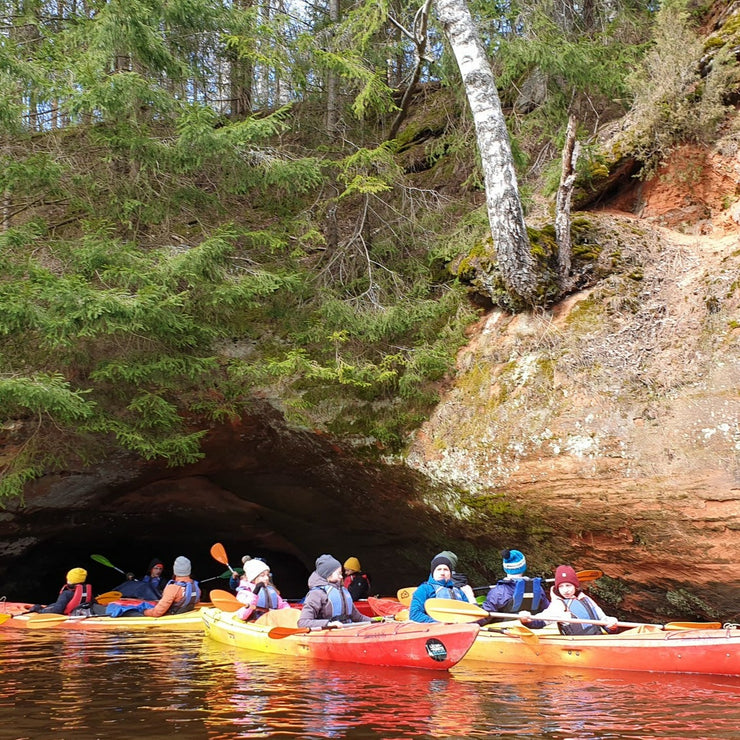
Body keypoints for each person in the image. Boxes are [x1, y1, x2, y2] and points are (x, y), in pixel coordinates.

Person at [519, 565, 619, 635]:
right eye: (561, 586)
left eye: (568, 585)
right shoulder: (558, 605)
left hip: (596, 640)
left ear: (575, 586)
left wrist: (611, 625)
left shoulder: (585, 599)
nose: (565, 590)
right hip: (576, 647)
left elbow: (603, 620)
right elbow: (539, 622)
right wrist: (527, 620)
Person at [297, 554, 372, 630]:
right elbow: (303, 622)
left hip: (346, 631)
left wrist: (375, 621)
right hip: (328, 635)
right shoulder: (316, 594)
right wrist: (328, 624)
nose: (341, 576)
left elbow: (358, 617)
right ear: (328, 574)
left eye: (341, 573)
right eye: (338, 573)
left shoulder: (342, 590)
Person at [480, 549, 550, 623]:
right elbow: (547, 610)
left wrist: (471, 598)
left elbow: (482, 618)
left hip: (505, 631)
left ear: (505, 568)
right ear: (524, 567)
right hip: (530, 629)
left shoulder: (497, 592)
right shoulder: (538, 589)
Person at [409, 554, 472, 623]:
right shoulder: (424, 589)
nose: (442, 573)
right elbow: (414, 614)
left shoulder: (458, 591)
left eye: (446, 570)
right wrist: (437, 623)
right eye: (439, 569)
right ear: (433, 573)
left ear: (450, 573)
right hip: (436, 628)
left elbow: (468, 614)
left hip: (459, 626)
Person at [28, 568, 100, 616]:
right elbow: (94, 604)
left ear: (70, 581)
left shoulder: (66, 594)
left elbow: (57, 610)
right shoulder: (87, 593)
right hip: (79, 613)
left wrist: (39, 610)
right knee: (52, 605)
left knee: (39, 607)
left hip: (68, 615)